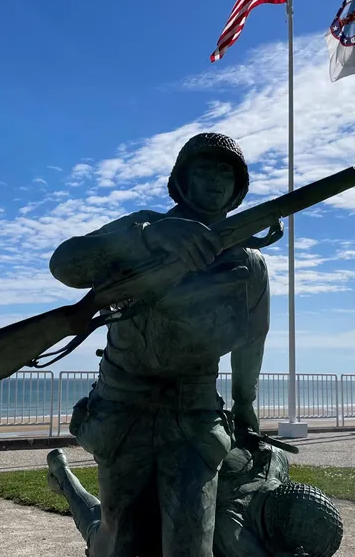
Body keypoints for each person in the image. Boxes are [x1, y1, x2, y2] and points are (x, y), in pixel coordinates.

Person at [47, 133, 273, 557]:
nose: (214, 181)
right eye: (203, 169)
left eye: (225, 172)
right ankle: (66, 483)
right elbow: (65, 263)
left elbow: (251, 340)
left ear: (238, 188)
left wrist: (246, 406)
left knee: (190, 546)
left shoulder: (248, 262)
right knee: (121, 542)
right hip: (122, 409)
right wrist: (149, 237)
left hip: (194, 415)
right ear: (182, 180)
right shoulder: (143, 228)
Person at [45, 444, 355, 557]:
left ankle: (63, 472)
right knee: (103, 533)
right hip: (154, 505)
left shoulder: (271, 461)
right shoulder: (235, 529)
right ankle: (63, 477)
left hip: (164, 461)